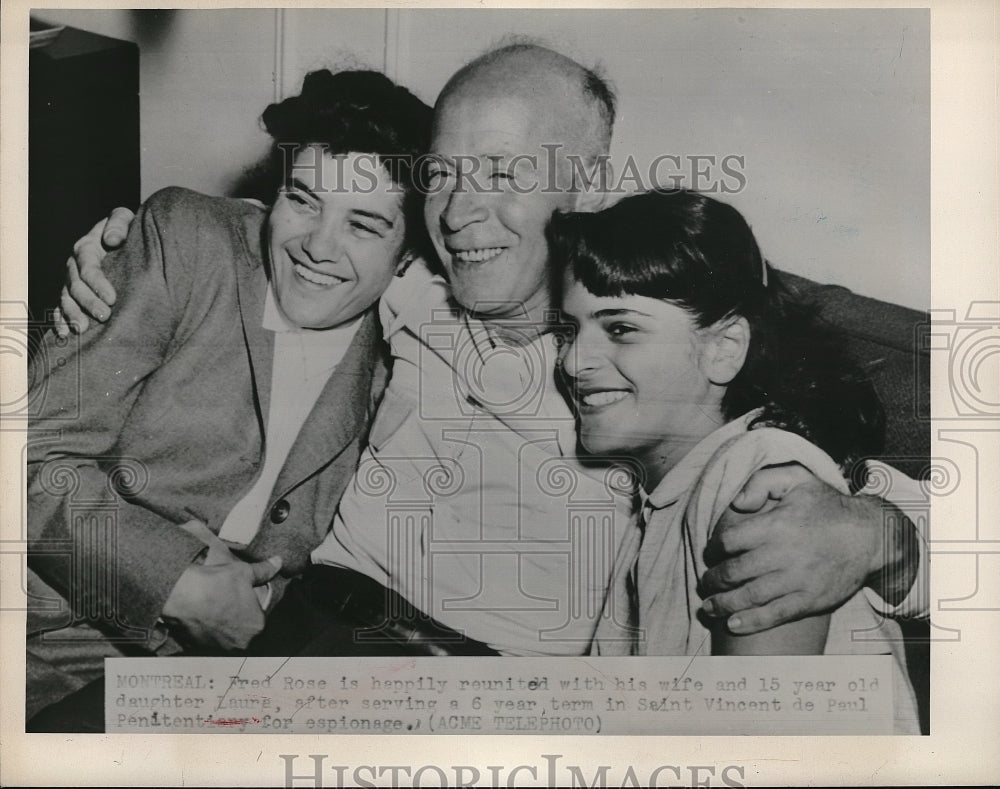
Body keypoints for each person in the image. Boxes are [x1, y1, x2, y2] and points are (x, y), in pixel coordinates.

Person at [56, 44, 927, 655]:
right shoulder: (411, 282)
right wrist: (120, 249)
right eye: (443, 172)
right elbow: (298, 233)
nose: (461, 211)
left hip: (483, 698)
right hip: (297, 633)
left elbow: (822, 458)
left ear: (587, 186)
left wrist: (883, 536)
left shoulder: (642, 353)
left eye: (506, 174)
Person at [26, 68, 431, 720]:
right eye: (303, 200)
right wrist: (179, 584)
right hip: (53, 639)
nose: (317, 247)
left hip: (223, 687)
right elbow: (28, 463)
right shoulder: (186, 242)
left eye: (363, 224)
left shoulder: (404, 357)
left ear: (408, 256)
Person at [551, 189, 920, 732]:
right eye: (569, 330)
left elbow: (753, 751)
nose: (572, 360)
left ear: (724, 348)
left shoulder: (756, 480)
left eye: (621, 328)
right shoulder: (665, 499)